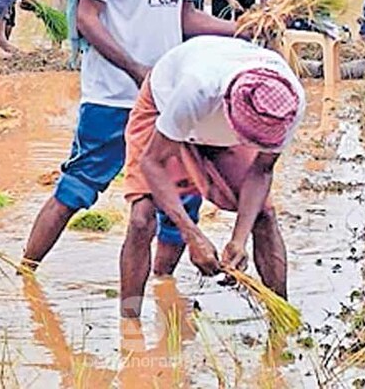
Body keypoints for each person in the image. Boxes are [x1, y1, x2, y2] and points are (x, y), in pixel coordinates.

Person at [21, 0, 238, 272]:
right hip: (113, 94)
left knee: (180, 199)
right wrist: (137, 70)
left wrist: (242, 29)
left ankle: (162, 288)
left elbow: (185, 16)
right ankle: (24, 272)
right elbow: (86, 17)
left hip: (171, 98)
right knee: (77, 187)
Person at [118, 36, 305, 318]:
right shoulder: (197, 89)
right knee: (141, 218)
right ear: (229, 109)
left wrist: (239, 239)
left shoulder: (287, 105)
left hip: (216, 123)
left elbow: (262, 170)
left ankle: (281, 319)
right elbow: (152, 163)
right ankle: (129, 328)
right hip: (164, 106)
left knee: (263, 215)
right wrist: (192, 235)